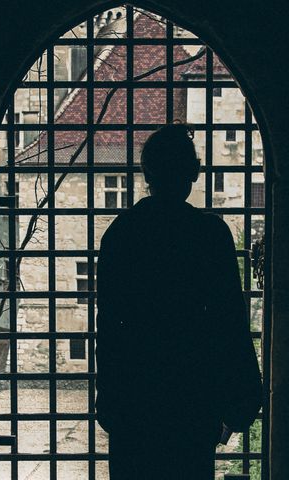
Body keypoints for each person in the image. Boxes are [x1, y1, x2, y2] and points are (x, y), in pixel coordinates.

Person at [95, 124, 262, 479]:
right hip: (191, 400)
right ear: (193, 174)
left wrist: (110, 402)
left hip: (135, 401)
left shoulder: (121, 233)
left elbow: (109, 325)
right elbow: (229, 322)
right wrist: (238, 405)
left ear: (147, 174)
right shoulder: (210, 234)